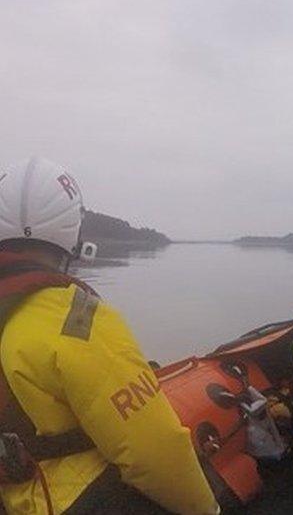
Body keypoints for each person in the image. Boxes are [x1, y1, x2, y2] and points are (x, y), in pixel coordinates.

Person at [0, 157, 219, 514]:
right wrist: (207, 509)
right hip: (66, 498)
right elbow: (155, 449)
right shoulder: (77, 318)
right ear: (72, 231)